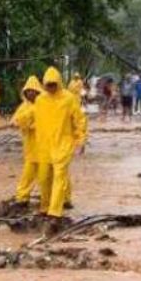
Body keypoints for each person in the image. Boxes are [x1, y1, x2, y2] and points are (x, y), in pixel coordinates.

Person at [32, 66, 87, 224]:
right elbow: (31, 115)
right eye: (48, 84)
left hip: (63, 144)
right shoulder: (40, 100)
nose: (50, 87)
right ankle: (45, 207)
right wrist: (19, 121)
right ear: (44, 84)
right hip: (44, 146)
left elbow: (80, 120)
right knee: (43, 178)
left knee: (59, 176)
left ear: (59, 83)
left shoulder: (69, 99)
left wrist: (80, 141)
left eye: (53, 84)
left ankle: (55, 212)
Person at [11, 75, 44, 204]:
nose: (30, 93)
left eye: (33, 91)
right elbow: (15, 119)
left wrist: (32, 125)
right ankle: (22, 197)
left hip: (44, 148)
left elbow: (48, 122)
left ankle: (53, 199)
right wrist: (15, 123)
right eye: (28, 91)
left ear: (38, 91)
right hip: (30, 148)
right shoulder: (24, 106)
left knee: (46, 177)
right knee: (27, 175)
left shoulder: (44, 104)